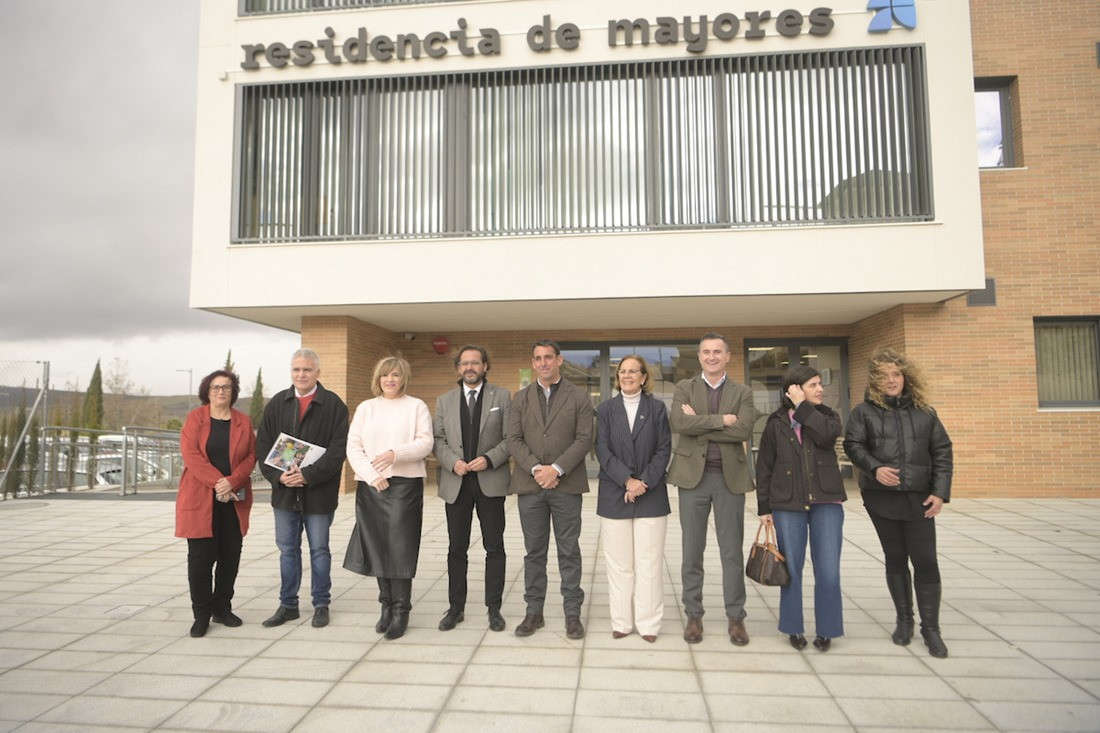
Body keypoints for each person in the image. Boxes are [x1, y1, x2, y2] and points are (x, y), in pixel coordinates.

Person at [844, 348, 953, 658]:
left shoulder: (926, 413)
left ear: (906, 377)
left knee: (926, 561)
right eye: (883, 376)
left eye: (895, 374)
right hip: (882, 499)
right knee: (895, 559)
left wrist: (940, 491)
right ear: (875, 381)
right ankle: (904, 620)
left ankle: (931, 629)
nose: (890, 380)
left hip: (920, 499)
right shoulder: (864, 412)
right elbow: (853, 445)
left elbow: (943, 452)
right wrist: (875, 468)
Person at [668, 332, 756, 645]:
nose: (711, 356)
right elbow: (679, 424)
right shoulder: (684, 388)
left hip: (730, 480)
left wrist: (702, 424)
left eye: (717, 351)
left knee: (731, 552)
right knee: (692, 551)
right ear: (700, 356)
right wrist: (722, 421)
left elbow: (744, 429)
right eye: (706, 352)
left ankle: (736, 617)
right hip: (692, 479)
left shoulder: (742, 391)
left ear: (728, 356)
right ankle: (694, 614)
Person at [255, 349, 349, 630]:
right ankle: (288, 605)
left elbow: (337, 452)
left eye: (307, 370)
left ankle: (321, 604)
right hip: (284, 493)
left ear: (318, 373)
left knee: (319, 550)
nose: (301, 375)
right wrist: (279, 478)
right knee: (287, 551)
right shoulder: (277, 404)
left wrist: (306, 476)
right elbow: (263, 447)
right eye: (296, 369)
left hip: (318, 494)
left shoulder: (333, 405)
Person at [507, 340, 594, 639]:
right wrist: (536, 469)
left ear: (559, 360)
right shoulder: (519, 398)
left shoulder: (579, 396)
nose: (543, 363)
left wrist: (556, 469)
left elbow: (584, 439)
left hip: (566, 485)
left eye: (548, 357)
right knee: (534, 553)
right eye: (538, 358)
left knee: (569, 551)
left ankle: (572, 613)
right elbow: (514, 439)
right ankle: (534, 612)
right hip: (530, 487)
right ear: (533, 364)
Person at [755, 366, 846, 652]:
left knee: (828, 570)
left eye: (820, 384)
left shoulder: (828, 417)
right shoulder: (776, 423)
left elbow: (826, 437)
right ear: (794, 389)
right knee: (791, 569)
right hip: (787, 504)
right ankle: (793, 627)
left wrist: (803, 407)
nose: (820, 389)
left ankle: (828, 628)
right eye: (813, 385)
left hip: (827, 503)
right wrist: (764, 507)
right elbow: (765, 467)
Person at [344, 356, 434, 640]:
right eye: (385, 375)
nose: (390, 380)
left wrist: (396, 455)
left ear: (403, 377)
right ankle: (385, 605)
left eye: (395, 375)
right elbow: (354, 446)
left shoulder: (416, 406)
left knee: (400, 547)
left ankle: (401, 610)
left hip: (405, 486)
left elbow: (425, 442)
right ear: (378, 379)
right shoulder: (366, 408)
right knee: (376, 545)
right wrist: (372, 476)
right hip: (372, 486)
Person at [433, 345, 512, 633]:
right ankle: (456, 607)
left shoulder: (502, 397)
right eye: (464, 363)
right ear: (458, 368)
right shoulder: (444, 400)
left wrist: (489, 459)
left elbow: (510, 438)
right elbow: (437, 439)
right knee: (457, 548)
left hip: (489, 482)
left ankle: (494, 608)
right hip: (456, 484)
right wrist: (452, 461)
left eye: (475, 363)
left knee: (494, 547)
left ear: (485, 366)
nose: (470, 367)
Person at [595, 355, 672, 642]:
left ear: (643, 377)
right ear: (618, 378)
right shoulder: (605, 410)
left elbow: (664, 450)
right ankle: (622, 622)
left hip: (650, 495)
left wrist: (643, 483)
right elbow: (601, 450)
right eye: (622, 371)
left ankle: (649, 624)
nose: (627, 376)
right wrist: (627, 480)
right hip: (615, 492)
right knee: (619, 565)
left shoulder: (657, 409)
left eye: (633, 371)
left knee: (649, 563)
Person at [176, 369, 256, 638]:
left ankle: (222, 608)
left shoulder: (243, 421)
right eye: (215, 387)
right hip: (201, 498)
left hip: (233, 500)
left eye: (226, 387)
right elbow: (191, 454)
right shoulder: (195, 419)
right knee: (200, 559)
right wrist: (219, 482)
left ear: (233, 392)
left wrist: (232, 481)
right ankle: (201, 614)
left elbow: (250, 457)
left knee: (229, 557)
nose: (221, 391)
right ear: (206, 392)